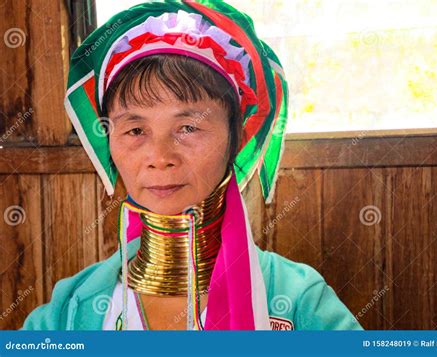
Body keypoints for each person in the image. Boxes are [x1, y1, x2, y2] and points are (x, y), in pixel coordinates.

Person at [22, 0, 362, 331]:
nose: (160, 157)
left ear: (236, 138)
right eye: (135, 130)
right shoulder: (69, 312)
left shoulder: (296, 301)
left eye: (188, 128)